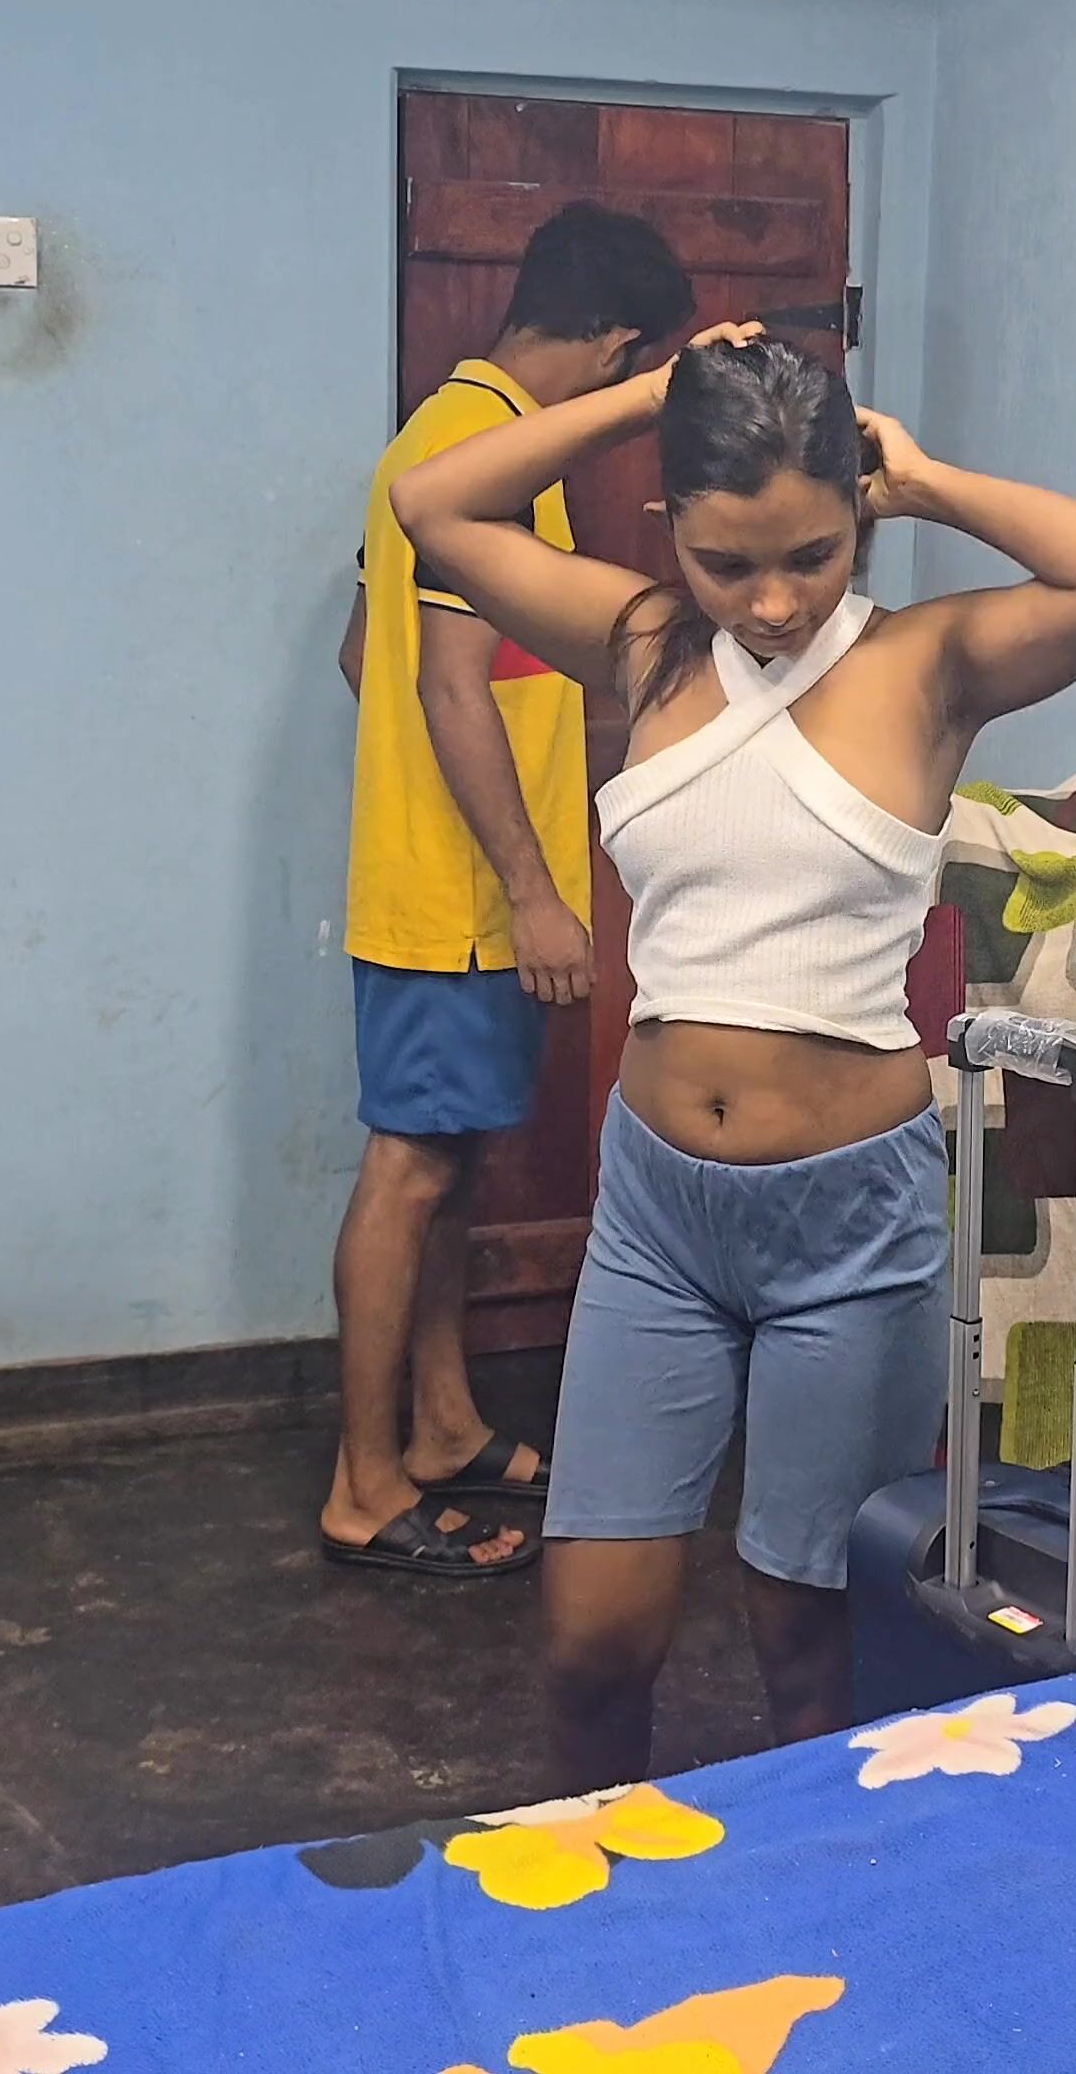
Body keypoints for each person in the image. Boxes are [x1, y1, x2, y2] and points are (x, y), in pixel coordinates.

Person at [393, 324, 1076, 1780]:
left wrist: (924, 480)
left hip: (850, 1225)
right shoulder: (642, 644)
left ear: (858, 518)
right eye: (725, 562)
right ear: (667, 526)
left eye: (812, 555)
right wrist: (649, 395)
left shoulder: (929, 664)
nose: (770, 602)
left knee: (809, 1638)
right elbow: (435, 502)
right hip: (656, 1217)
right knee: (591, 1642)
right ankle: (607, 1892)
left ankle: (816, 1894)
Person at [326, 205, 693, 1579]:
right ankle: (364, 1486)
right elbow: (440, 682)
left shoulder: (436, 441)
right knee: (411, 1168)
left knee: (452, 1161)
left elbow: (367, 657)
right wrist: (532, 891)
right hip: (458, 898)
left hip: (441, 874)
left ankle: (440, 1427)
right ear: (614, 346)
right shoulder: (482, 458)